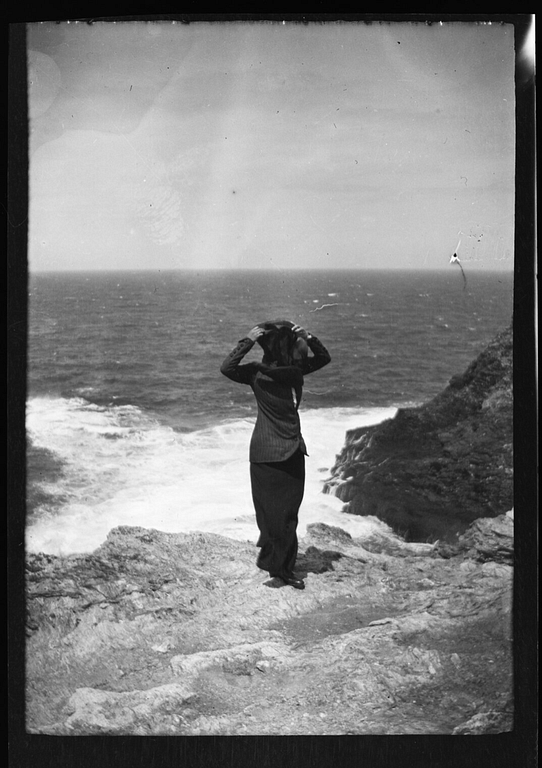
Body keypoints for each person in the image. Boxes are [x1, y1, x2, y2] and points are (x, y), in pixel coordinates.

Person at [220, 320, 331, 590]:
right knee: (274, 518)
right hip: (271, 453)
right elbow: (226, 368)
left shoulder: (280, 371)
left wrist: (308, 336)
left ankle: (280, 566)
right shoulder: (268, 372)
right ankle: (278, 568)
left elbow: (324, 358)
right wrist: (248, 340)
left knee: (284, 517)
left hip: (284, 451)